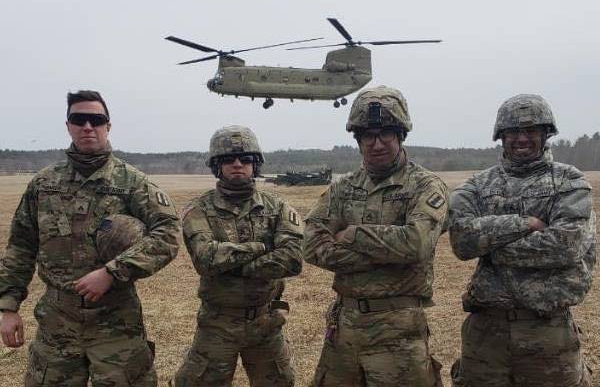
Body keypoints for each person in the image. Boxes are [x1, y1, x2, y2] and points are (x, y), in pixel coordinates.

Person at [0, 90, 180, 386]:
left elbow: (168, 234)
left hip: (116, 320)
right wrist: (8, 307)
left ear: (108, 126)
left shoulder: (132, 182)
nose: (87, 126)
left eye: (96, 120)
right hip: (57, 320)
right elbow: (20, 245)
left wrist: (113, 271)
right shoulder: (44, 183)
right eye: (78, 119)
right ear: (68, 125)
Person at [303, 86, 448, 387]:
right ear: (358, 140)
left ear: (400, 135)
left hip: (398, 330)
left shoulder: (425, 186)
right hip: (344, 328)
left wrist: (352, 234)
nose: (377, 144)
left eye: (386, 134)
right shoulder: (344, 188)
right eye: (368, 135)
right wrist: (387, 255)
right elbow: (313, 244)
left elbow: (416, 243)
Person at [449, 94, 596, 387]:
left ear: (546, 134)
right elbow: (461, 241)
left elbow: (565, 246)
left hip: (547, 331)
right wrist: (524, 224)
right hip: (486, 333)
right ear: (501, 136)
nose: (522, 138)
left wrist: (492, 247)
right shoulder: (479, 185)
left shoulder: (569, 182)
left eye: (531, 131)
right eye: (513, 131)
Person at [173, 125, 303, 387]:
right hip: (217, 324)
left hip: (266, 322)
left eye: (245, 159)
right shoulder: (199, 209)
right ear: (216, 166)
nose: (237, 164)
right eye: (228, 160)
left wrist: (231, 264)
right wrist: (262, 248)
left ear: (255, 165)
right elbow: (206, 259)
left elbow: (292, 259)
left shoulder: (277, 207)